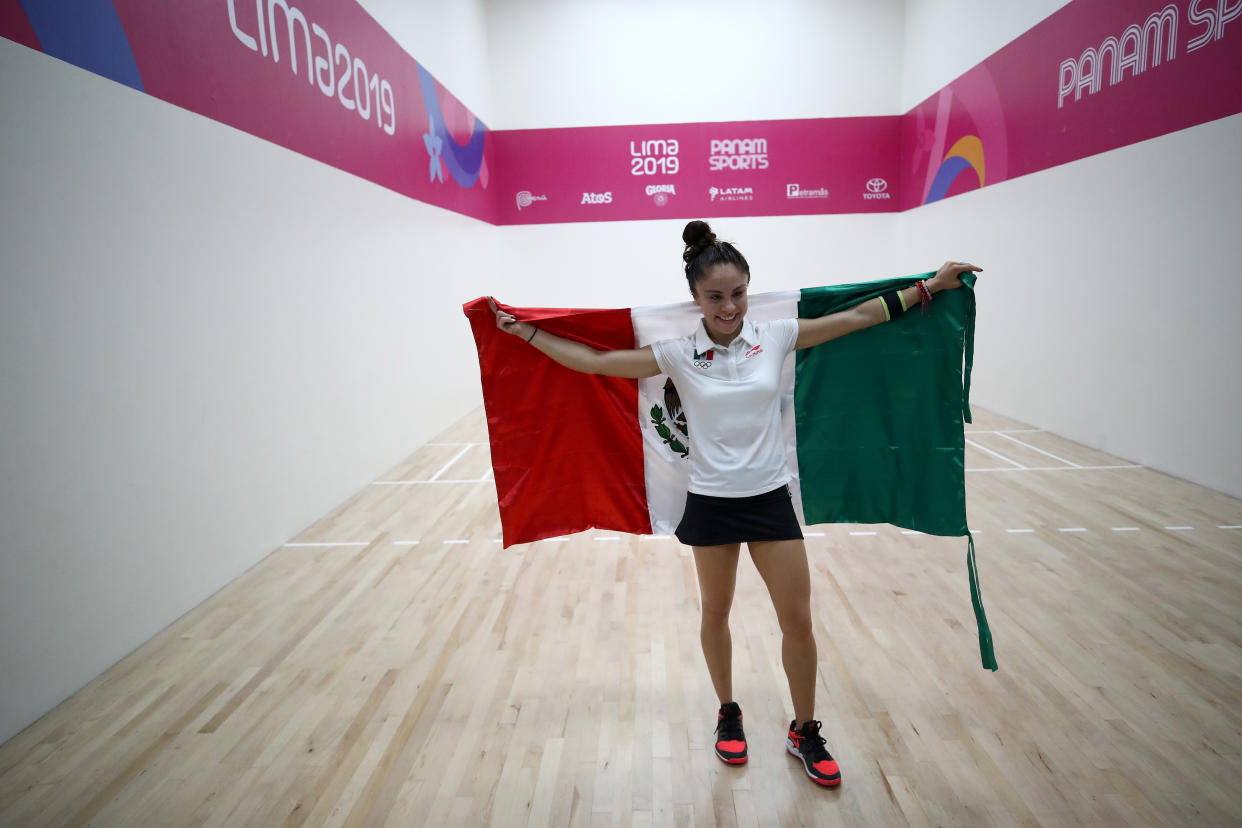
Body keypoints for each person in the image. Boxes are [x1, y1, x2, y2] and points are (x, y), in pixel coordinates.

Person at [487, 219, 980, 788]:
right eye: (715, 297)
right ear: (695, 299)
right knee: (715, 614)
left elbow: (856, 318)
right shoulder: (674, 352)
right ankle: (728, 712)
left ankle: (804, 729)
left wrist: (931, 287)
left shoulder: (775, 336)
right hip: (712, 505)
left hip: (771, 502)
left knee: (797, 620)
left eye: (738, 293)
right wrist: (524, 334)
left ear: (750, 289)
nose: (729, 306)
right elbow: (596, 365)